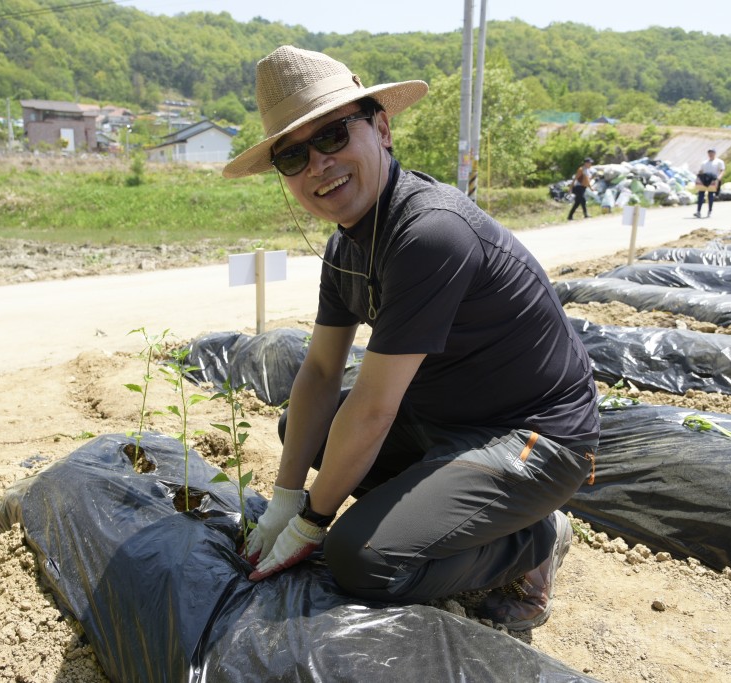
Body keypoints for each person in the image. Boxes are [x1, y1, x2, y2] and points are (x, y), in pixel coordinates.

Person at [222, 46, 599, 631]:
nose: (318, 165)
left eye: (332, 137)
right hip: (442, 420)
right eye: (293, 156)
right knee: (301, 429)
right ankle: (452, 508)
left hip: (530, 437)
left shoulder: (429, 233)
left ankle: (532, 540)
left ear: (382, 128)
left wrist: (311, 523)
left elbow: (373, 407)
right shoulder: (346, 247)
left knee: (360, 559)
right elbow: (321, 373)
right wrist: (285, 497)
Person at [694, 148, 725, 218]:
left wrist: (719, 178)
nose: (710, 154)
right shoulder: (704, 163)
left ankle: (710, 211)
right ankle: (698, 211)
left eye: (712, 153)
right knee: (701, 195)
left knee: (710, 195)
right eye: (709, 153)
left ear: (714, 153)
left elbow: (722, 171)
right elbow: (701, 171)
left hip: (713, 180)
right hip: (704, 180)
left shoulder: (719, 162)